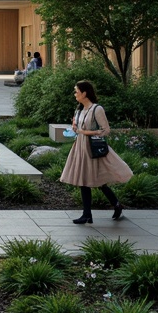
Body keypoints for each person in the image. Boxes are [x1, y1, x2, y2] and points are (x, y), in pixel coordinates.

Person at [59, 80, 132, 224]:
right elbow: (78, 129)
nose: (75, 94)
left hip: (92, 148)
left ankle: (114, 205)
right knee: (84, 180)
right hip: (80, 146)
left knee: (97, 181)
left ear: (85, 93)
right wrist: (75, 128)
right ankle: (88, 214)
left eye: (76, 91)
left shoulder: (97, 109)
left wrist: (85, 132)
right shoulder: (79, 109)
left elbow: (106, 130)